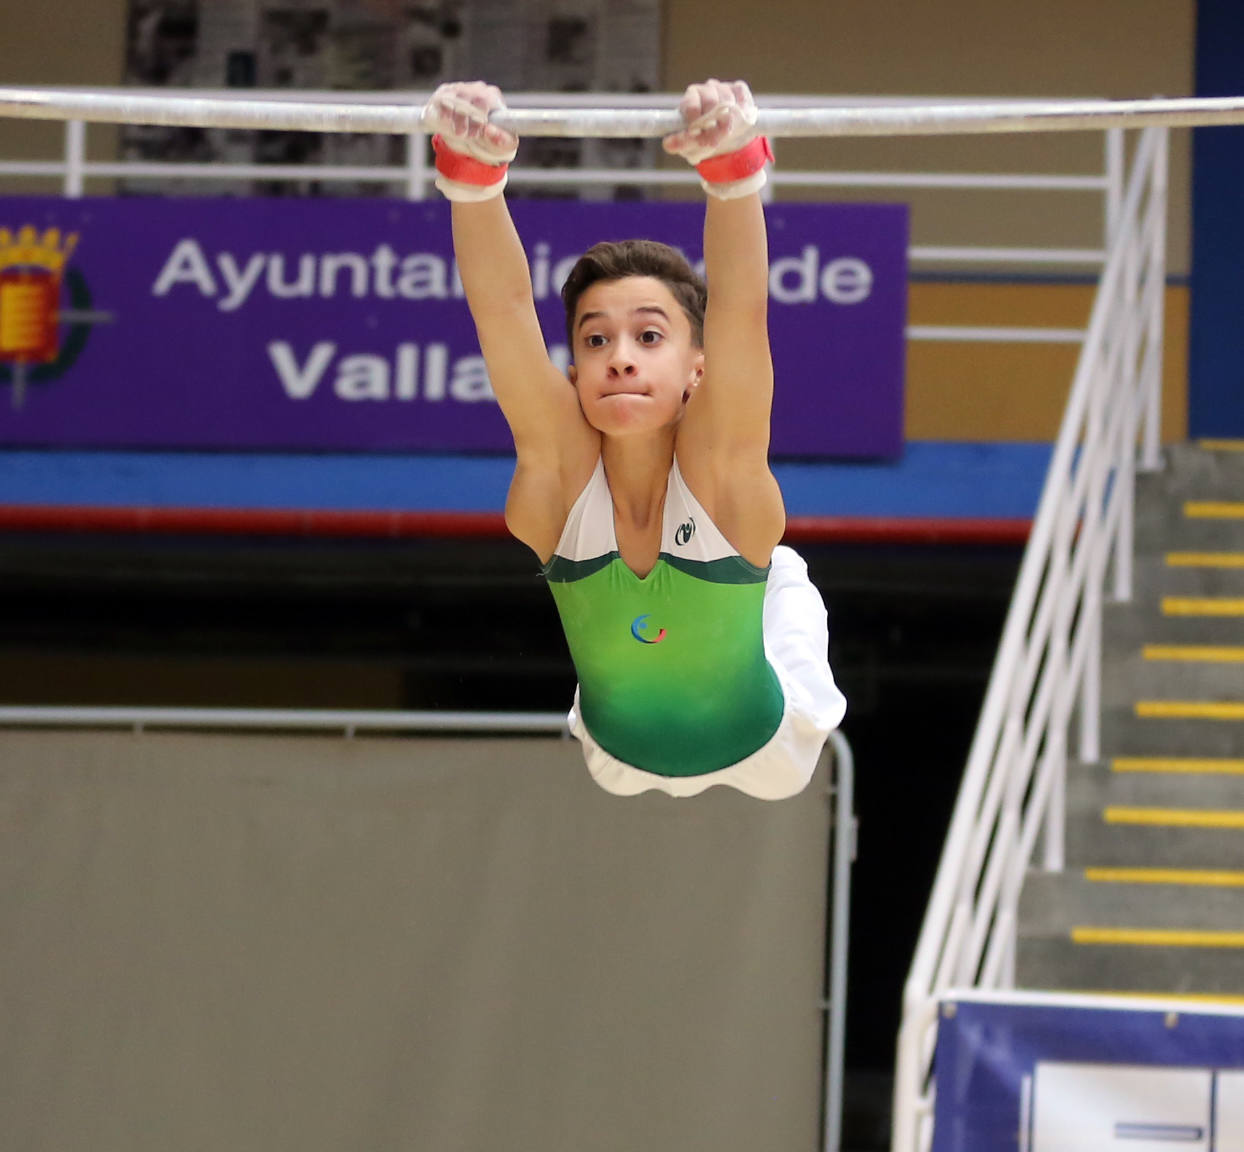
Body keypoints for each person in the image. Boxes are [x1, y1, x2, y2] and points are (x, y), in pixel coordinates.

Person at [421, 78, 846, 799]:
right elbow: (502, 312)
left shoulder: (718, 480)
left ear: (696, 369)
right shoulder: (558, 484)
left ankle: (774, 577)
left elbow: (742, 314)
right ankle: (766, 575)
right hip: (616, 753)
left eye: (649, 335)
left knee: (781, 572)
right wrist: (472, 178)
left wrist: (734, 171)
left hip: (771, 745)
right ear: (578, 370)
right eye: (595, 339)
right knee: (752, 556)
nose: (619, 356)